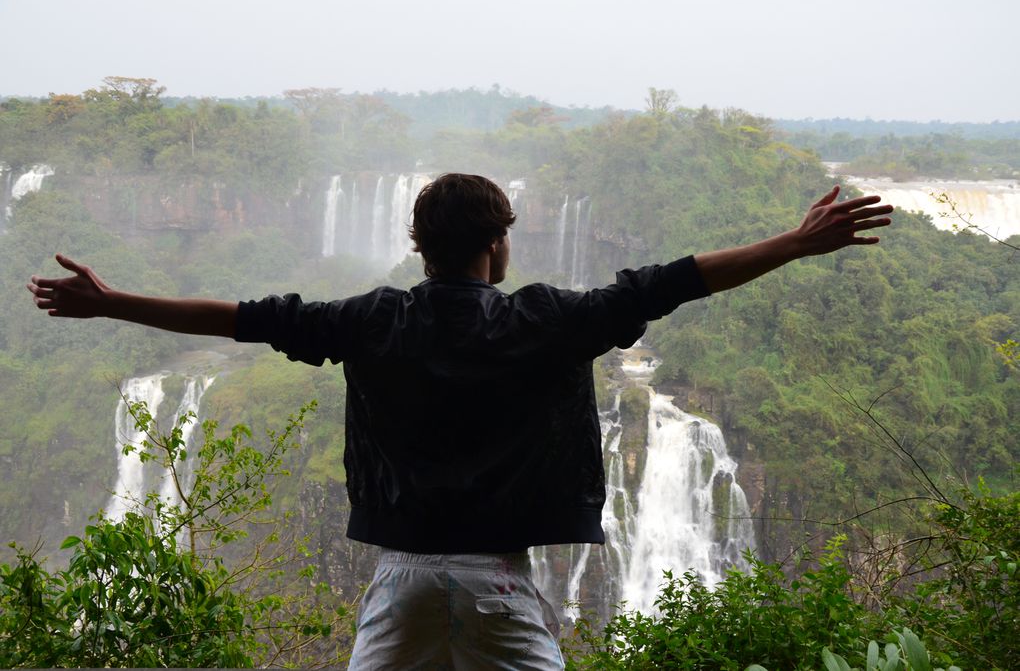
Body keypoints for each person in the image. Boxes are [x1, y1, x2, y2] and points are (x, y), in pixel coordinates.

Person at [27, 173, 891, 669]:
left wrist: (111, 304)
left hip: (399, 586)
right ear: (498, 245)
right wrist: (793, 241)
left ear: (417, 245)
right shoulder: (547, 319)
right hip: (504, 586)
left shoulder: (371, 321)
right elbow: (670, 280)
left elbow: (243, 317)